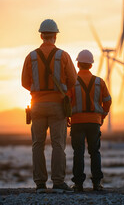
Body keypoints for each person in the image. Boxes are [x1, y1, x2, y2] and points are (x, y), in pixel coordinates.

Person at [21, 19, 77, 193]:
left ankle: (39, 183)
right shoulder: (63, 56)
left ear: (41, 35)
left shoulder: (31, 56)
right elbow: (73, 81)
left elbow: (24, 82)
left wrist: (38, 92)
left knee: (37, 144)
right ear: (55, 36)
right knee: (58, 144)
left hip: (37, 105)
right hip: (57, 106)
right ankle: (58, 182)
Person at [68, 49, 112, 192]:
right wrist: (102, 116)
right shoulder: (100, 82)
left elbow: (66, 102)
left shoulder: (72, 82)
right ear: (91, 65)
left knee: (78, 153)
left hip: (77, 122)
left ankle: (78, 185)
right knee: (95, 152)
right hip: (94, 122)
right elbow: (108, 101)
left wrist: (67, 117)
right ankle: (97, 184)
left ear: (78, 64)